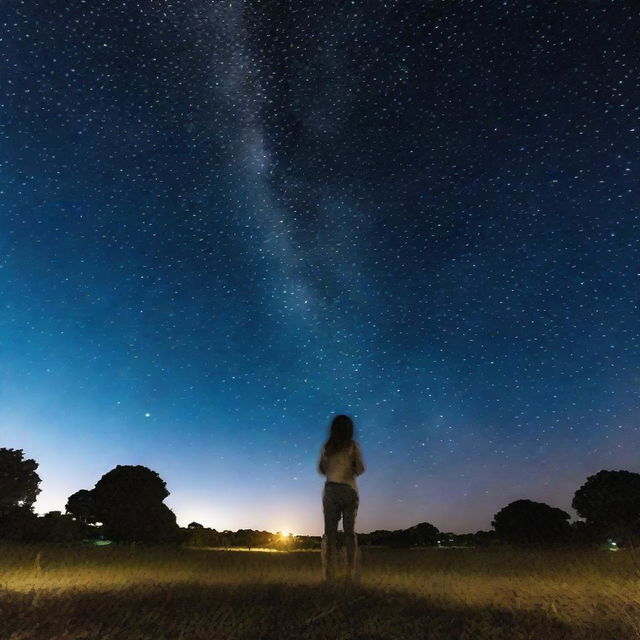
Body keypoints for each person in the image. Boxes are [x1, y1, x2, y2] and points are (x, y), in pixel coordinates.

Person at [318, 414, 365, 580]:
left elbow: (321, 469)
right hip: (349, 489)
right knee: (349, 533)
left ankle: (328, 574)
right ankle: (350, 572)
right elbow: (360, 469)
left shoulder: (327, 447)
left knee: (330, 534)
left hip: (331, 489)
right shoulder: (353, 446)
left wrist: (332, 467)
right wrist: (350, 466)